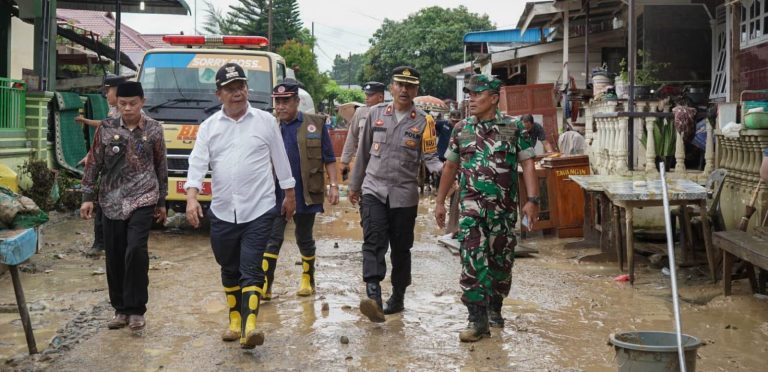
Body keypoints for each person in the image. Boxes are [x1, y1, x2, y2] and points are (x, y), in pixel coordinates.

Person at [184, 63, 296, 349]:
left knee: (251, 268)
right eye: (231, 89)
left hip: (259, 208)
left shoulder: (265, 121)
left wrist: (289, 193)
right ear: (219, 93)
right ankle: (235, 320)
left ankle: (250, 327)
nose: (238, 93)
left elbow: (280, 159)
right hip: (222, 210)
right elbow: (197, 163)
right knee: (228, 266)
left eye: (241, 87)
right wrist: (192, 197)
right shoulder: (210, 127)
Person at [434, 74, 540, 343]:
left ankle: (495, 306)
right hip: (471, 211)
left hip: (503, 212)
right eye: (469, 93)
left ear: (493, 98)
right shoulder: (461, 129)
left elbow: (528, 163)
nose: (470, 98)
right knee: (471, 261)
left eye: (476, 94)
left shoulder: (514, 128)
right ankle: (476, 318)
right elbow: (450, 166)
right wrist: (439, 201)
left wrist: (532, 200)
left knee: (501, 264)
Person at [349, 66, 442, 322]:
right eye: (399, 84)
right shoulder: (375, 114)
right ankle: (374, 295)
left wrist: (447, 173)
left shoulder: (425, 121)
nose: (404, 89)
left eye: (409, 86)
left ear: (416, 90)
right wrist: (354, 186)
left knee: (401, 249)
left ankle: (398, 296)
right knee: (373, 241)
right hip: (374, 189)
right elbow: (363, 153)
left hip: (404, 195)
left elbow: (431, 157)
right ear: (391, 87)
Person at [79, 81, 168, 334]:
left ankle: (137, 309)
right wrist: (87, 196)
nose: (127, 109)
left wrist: (162, 201)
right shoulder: (106, 129)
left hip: (143, 196)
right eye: (122, 104)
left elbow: (161, 165)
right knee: (115, 254)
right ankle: (120, 309)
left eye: (132, 104)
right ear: (116, 104)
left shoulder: (154, 129)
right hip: (111, 199)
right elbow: (94, 162)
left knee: (136, 251)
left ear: (142, 102)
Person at [262, 80, 339, 300]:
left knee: (303, 236)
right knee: (272, 238)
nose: (281, 106)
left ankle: (308, 278)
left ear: (297, 101)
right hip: (274, 193)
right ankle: (266, 284)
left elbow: (329, 158)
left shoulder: (315, 124)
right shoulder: (268, 125)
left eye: (286, 101)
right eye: (277, 101)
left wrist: (334, 186)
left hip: (305, 191)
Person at [76, 73, 126, 258]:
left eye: (108, 91)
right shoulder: (114, 111)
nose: (106, 95)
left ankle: (112, 247)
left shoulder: (129, 113)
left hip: (124, 174)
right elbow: (104, 131)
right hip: (110, 173)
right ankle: (102, 245)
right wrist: (90, 156)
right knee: (104, 208)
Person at [340, 81, 386, 179]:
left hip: (381, 161)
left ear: (380, 97)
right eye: (366, 94)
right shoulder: (360, 112)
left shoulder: (388, 113)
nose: (366, 97)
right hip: (362, 161)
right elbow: (352, 136)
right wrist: (345, 161)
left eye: (370, 95)